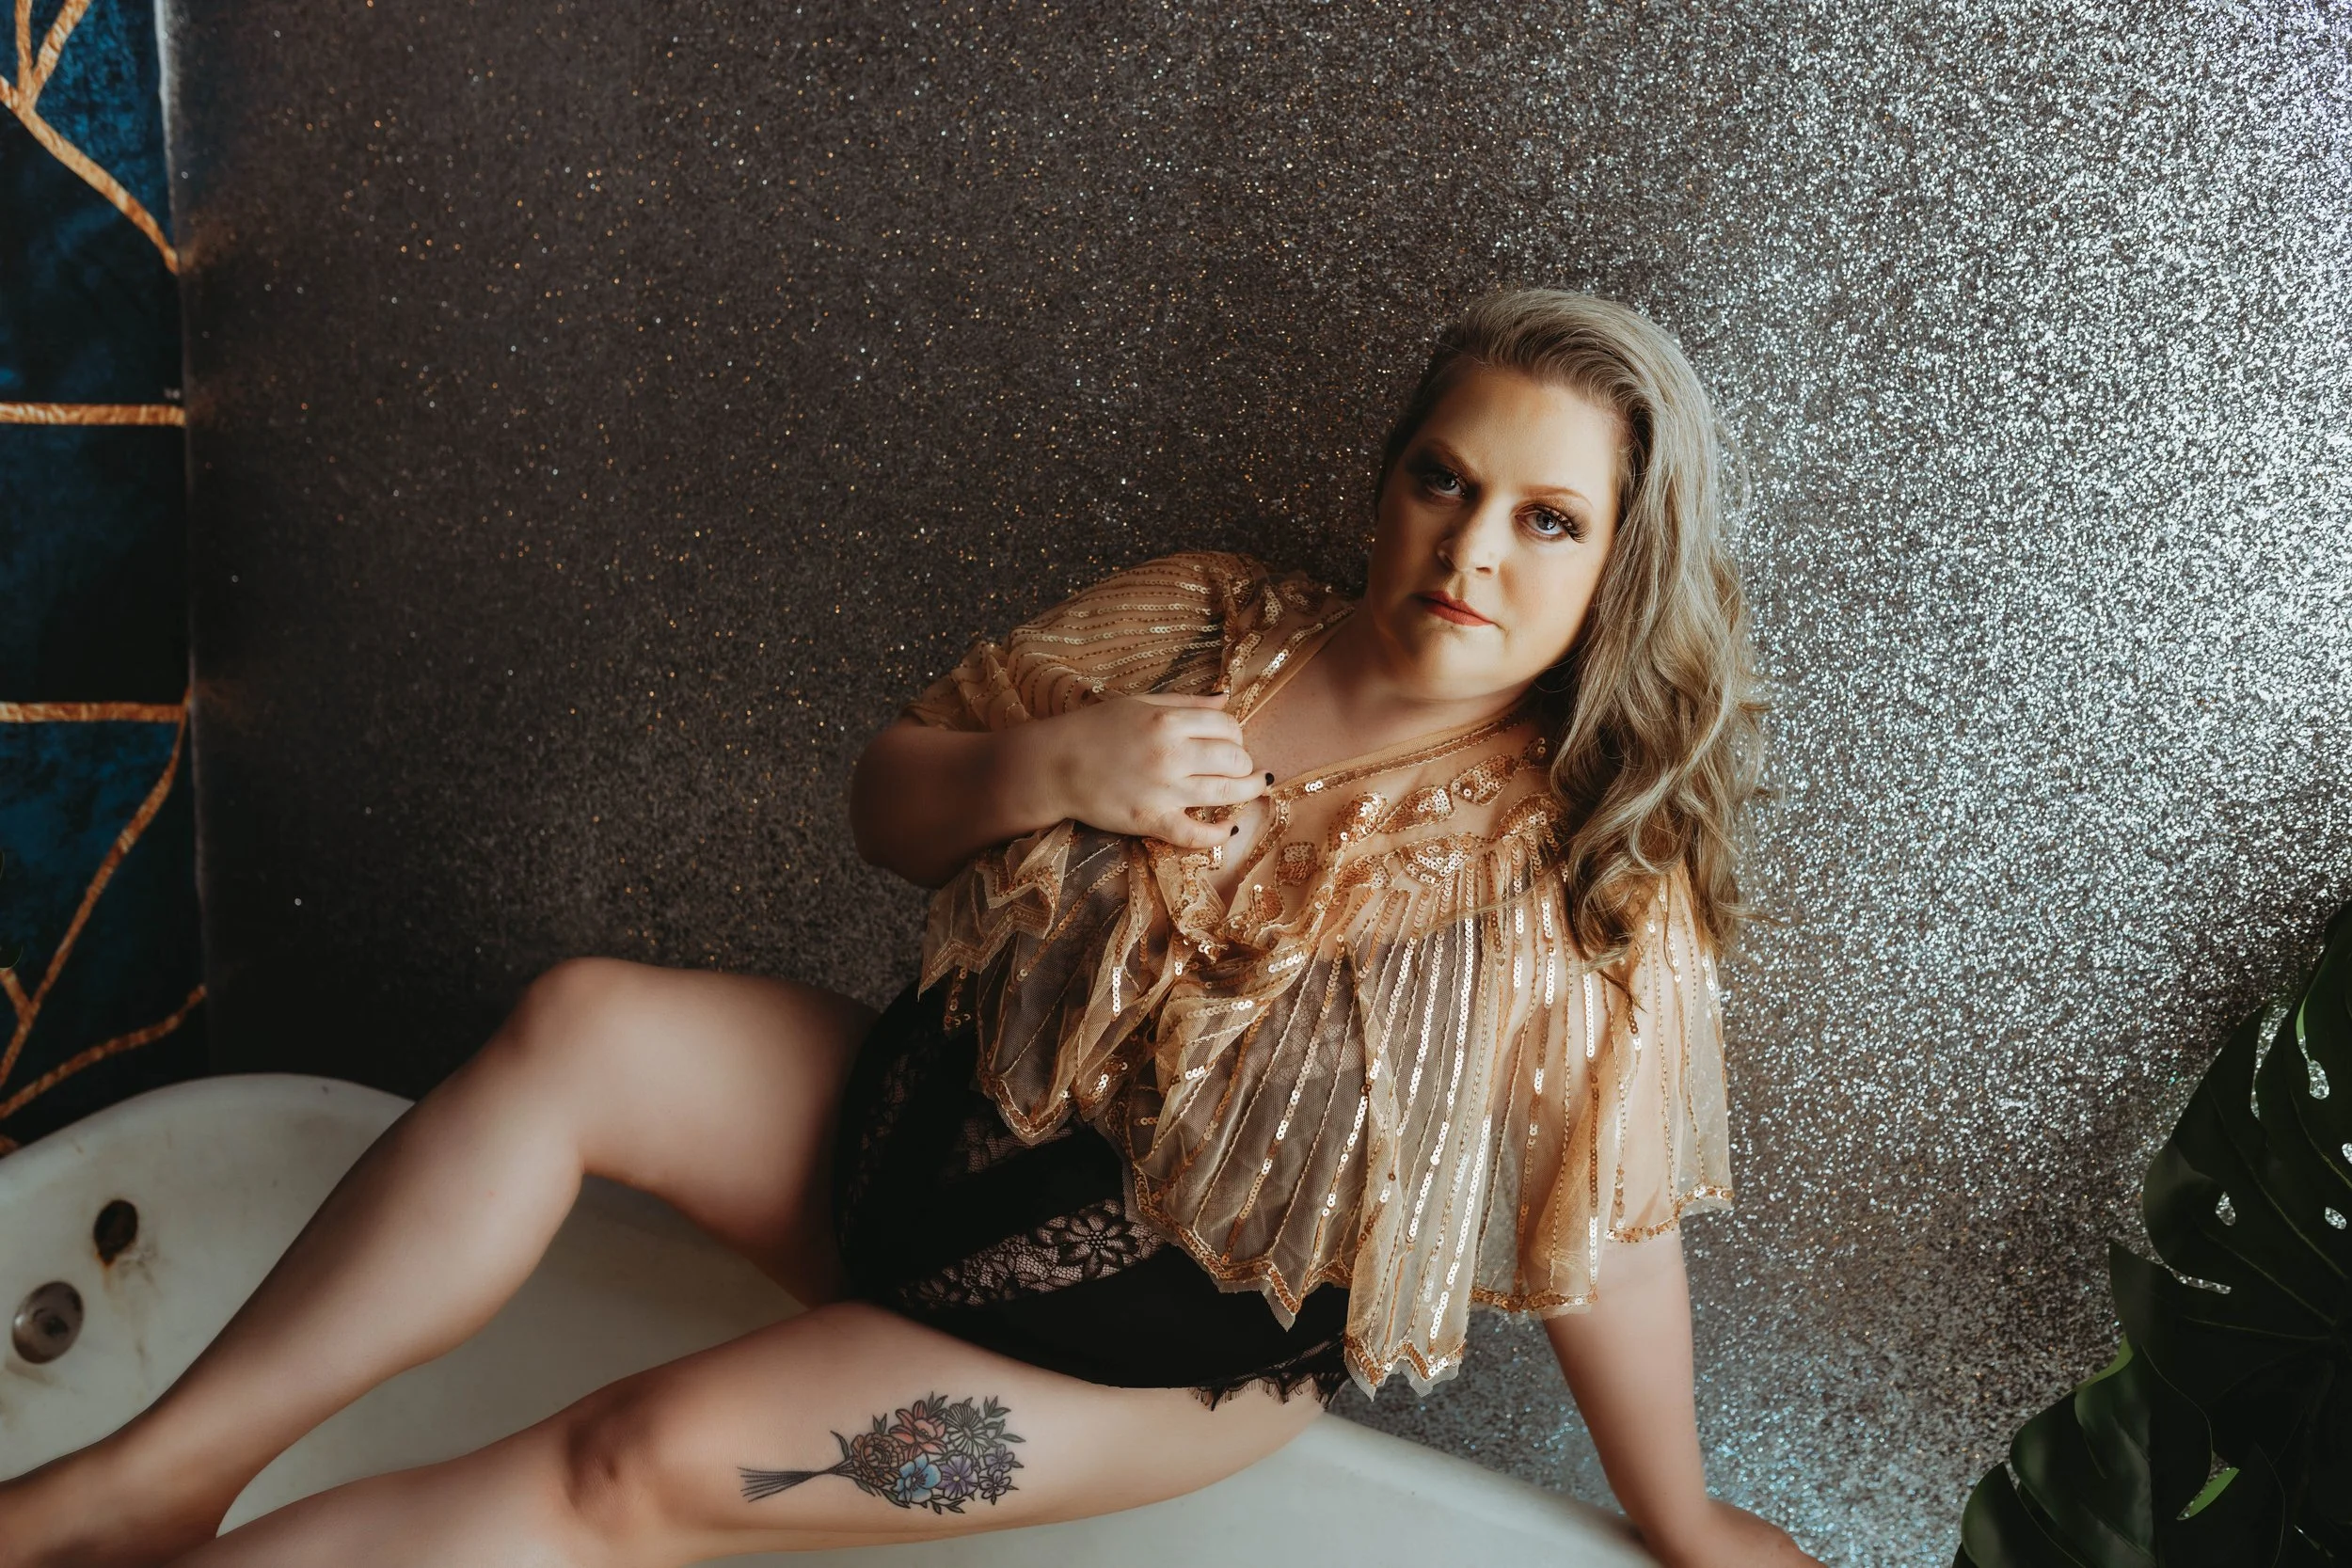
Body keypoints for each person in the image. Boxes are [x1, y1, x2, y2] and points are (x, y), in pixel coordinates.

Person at [0, 289, 1820, 1567]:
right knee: (578, 1028)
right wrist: (1053, 761)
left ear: (1613, 569)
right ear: (1388, 473)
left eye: (1546, 519)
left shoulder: (1587, 874)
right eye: (1446, 475)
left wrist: (1678, 1514)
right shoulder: (1203, 617)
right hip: (889, 1139)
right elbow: (890, 803)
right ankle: (147, 1482)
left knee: (626, 1463)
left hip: (1125, 1356)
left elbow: (1615, 1226)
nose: (1472, 549)